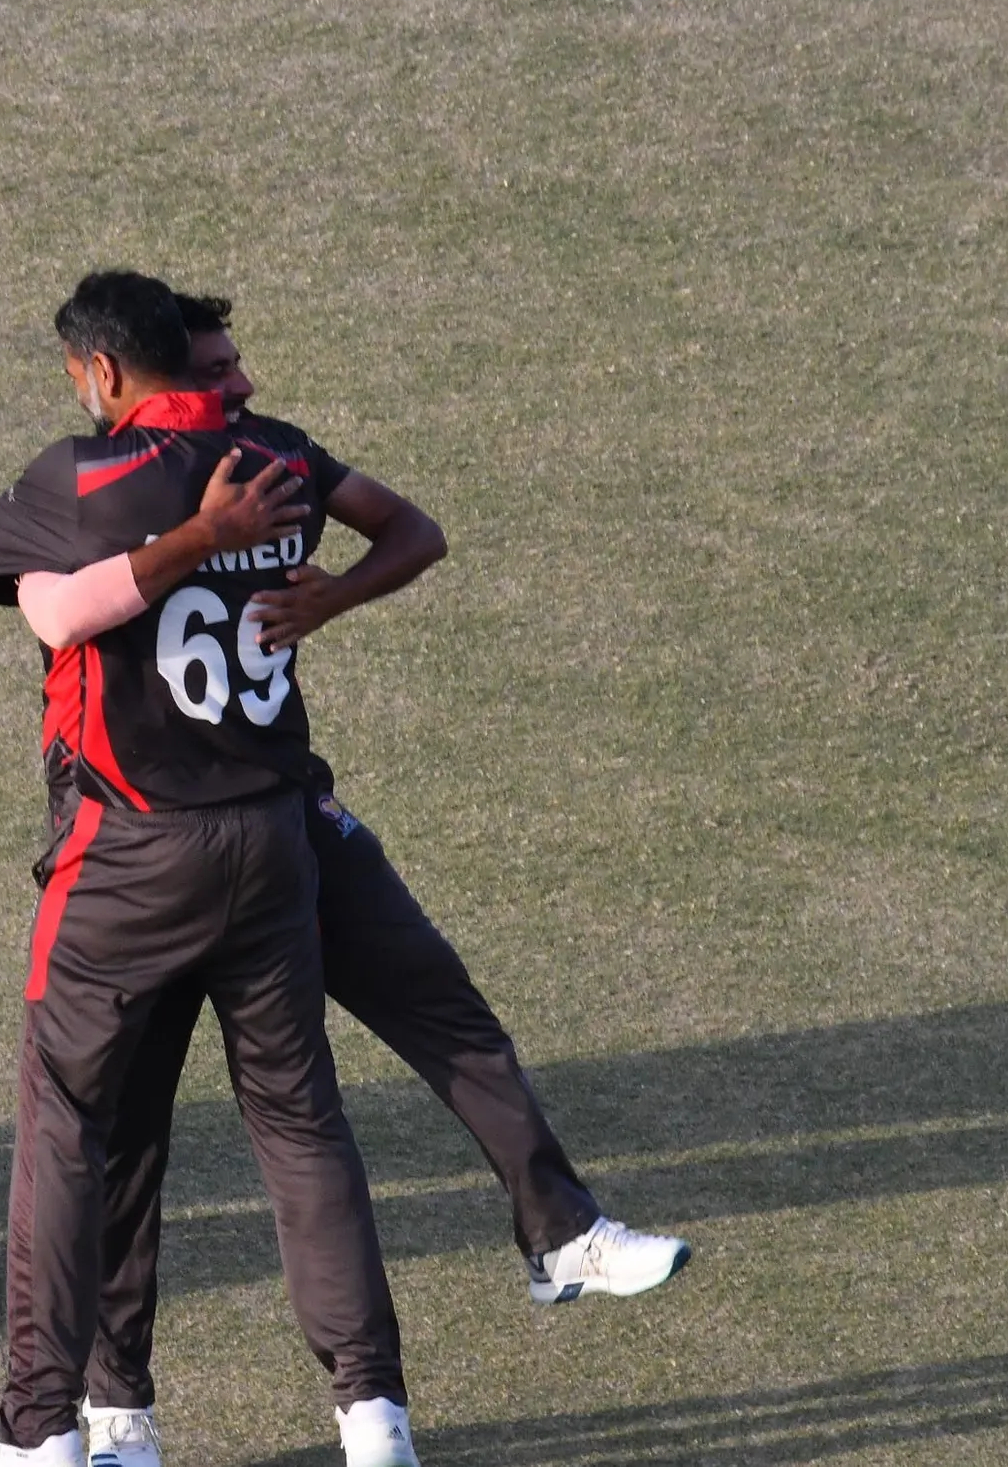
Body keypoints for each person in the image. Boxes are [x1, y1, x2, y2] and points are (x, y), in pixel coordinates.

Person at [59, 297, 688, 1467]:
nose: (238, 386)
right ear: (145, 383)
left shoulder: (274, 456)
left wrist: (330, 597)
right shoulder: (109, 489)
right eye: (215, 368)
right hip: (153, 851)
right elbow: (42, 606)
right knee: (131, 1140)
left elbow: (413, 531)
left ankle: (560, 1235)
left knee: (438, 1008)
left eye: (238, 365)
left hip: (284, 820)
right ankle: (117, 1414)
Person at [0, 273, 410, 1467]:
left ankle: (41, 1426)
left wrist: (89, 577)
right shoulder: (279, 459)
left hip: (131, 856)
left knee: (70, 1130)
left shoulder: (77, 477)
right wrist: (322, 592)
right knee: (299, 1127)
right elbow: (406, 527)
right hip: (270, 841)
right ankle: (371, 1414)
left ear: (99, 370)